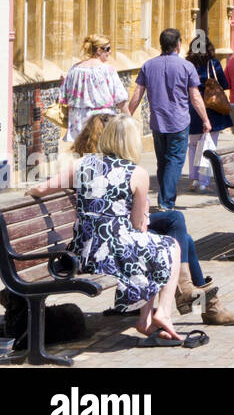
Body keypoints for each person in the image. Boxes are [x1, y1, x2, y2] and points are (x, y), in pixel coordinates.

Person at [28, 115, 184, 345]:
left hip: (83, 253)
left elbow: (41, 188)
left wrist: (28, 194)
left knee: (149, 248)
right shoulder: (137, 173)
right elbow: (137, 224)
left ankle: (148, 317)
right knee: (170, 246)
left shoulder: (81, 164)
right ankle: (161, 314)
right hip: (113, 253)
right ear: (132, 142)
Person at [71, 115, 234, 326]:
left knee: (176, 219)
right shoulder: (98, 165)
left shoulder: (92, 163)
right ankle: (205, 304)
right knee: (182, 239)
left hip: (116, 228)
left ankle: (194, 295)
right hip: (114, 235)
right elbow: (134, 223)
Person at [128, 28, 210, 212]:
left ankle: (164, 198)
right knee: (174, 161)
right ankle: (166, 202)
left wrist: (127, 116)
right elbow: (195, 97)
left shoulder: (148, 66)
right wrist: (205, 119)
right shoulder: (186, 66)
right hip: (178, 122)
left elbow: (137, 95)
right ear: (178, 45)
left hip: (158, 122)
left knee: (163, 162)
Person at [58, 34, 128, 145]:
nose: (110, 52)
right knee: (99, 157)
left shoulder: (74, 70)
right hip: (101, 120)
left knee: (84, 156)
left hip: (78, 121)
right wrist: (128, 119)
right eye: (108, 49)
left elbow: (63, 98)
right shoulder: (107, 71)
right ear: (99, 50)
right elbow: (120, 100)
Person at [186, 34, 232, 192]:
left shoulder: (187, 64)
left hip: (192, 108)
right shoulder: (214, 64)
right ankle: (204, 181)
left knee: (193, 145)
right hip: (212, 109)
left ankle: (193, 179)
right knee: (209, 146)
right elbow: (224, 84)